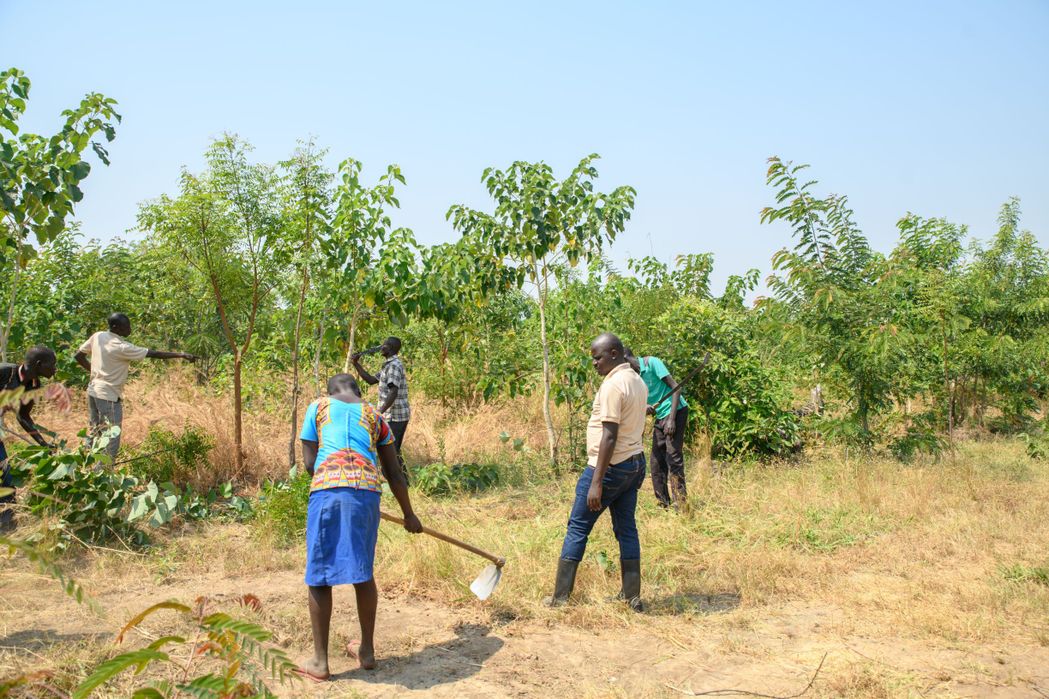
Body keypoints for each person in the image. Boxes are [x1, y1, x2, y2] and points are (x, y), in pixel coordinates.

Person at [296, 373, 422, 680]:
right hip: (367, 494)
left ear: (330, 391)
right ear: (356, 390)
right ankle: (366, 651)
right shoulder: (375, 415)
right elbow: (394, 472)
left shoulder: (318, 407)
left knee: (319, 576)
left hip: (328, 492)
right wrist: (409, 515)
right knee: (363, 572)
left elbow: (310, 464)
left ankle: (320, 662)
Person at [545, 333, 648, 611]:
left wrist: (596, 483)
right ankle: (632, 597)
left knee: (577, 527)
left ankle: (561, 598)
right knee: (626, 529)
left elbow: (610, 436)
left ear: (614, 353)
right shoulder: (637, 380)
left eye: (598, 357)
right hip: (634, 464)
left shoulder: (614, 385)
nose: (594, 363)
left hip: (610, 468)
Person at [74, 313, 196, 461]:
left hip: (93, 391)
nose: (130, 329)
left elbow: (78, 356)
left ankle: (84, 469)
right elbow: (154, 354)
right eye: (126, 327)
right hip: (108, 397)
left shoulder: (98, 336)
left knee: (95, 434)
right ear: (115, 327)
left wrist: (95, 373)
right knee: (111, 441)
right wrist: (182, 355)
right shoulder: (122, 347)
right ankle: (103, 476)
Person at [0, 346, 59, 531]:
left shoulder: (33, 385)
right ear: (39, 364)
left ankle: (7, 525)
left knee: (6, 476)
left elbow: (23, 416)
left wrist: (44, 444)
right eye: (53, 365)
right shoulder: (4, 373)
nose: (55, 369)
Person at [626, 349, 689, 511]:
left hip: (676, 412)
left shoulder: (652, 363)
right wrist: (644, 407)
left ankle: (681, 505)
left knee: (673, 457)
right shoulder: (632, 377)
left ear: (626, 359)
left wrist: (672, 420)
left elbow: (676, 388)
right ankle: (663, 503)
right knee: (656, 461)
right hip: (660, 416)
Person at [351, 337, 411, 483]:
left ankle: (399, 482)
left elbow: (393, 392)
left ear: (389, 347)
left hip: (396, 415)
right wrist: (356, 364)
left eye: (383, 344)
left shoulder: (394, 366)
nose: (380, 347)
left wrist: (379, 412)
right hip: (392, 415)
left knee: (391, 451)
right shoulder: (387, 366)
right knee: (394, 450)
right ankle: (404, 482)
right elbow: (371, 380)